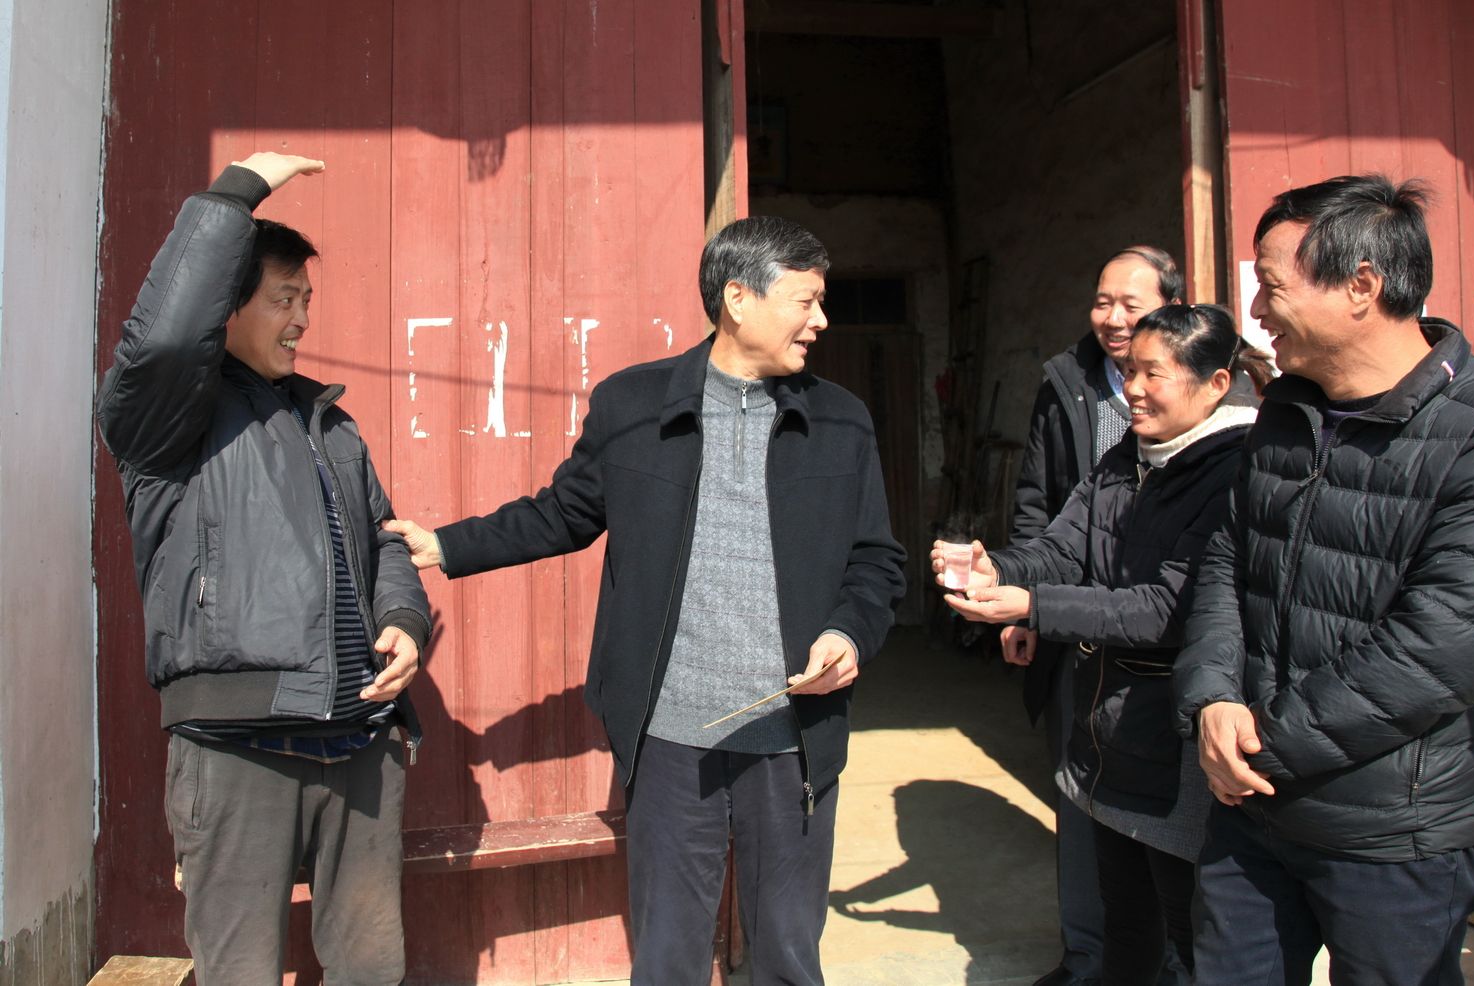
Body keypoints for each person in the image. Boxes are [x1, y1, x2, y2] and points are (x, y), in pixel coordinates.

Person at [385, 216, 906, 985]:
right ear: (738, 299)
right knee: (666, 957)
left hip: (793, 735)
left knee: (789, 957)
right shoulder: (633, 405)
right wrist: (448, 545)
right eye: (806, 301)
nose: (821, 320)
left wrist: (848, 635)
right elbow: (562, 513)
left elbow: (876, 562)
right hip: (670, 737)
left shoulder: (840, 420)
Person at [96, 153, 432, 985]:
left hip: (359, 737)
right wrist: (235, 193)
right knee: (239, 971)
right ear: (229, 305)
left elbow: (386, 539)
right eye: (284, 299)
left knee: (373, 969)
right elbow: (165, 338)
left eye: (307, 301)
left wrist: (404, 620)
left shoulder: (330, 423)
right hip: (237, 744)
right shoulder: (169, 421)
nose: (301, 320)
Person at [1174, 174, 1474, 985]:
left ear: (1361, 285)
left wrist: (1259, 741)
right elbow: (1227, 561)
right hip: (1251, 811)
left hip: (1393, 835)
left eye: (1272, 287)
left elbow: (1442, 646)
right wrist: (1211, 698)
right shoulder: (1287, 410)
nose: (1256, 312)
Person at [936, 304, 1268, 985]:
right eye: (1128, 372)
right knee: (1127, 927)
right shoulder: (1131, 455)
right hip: (1110, 734)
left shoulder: (1237, 469)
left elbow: (1165, 609)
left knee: (1191, 938)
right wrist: (999, 570)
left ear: (1215, 384)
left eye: (1153, 374)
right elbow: (1064, 547)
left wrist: (1033, 606)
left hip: (1179, 746)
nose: (1133, 390)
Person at [1009, 245, 1183, 986]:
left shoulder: (1214, 385)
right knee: (1077, 793)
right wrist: (1022, 607)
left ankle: (1169, 963)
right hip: (1072, 621)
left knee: (1167, 810)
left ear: (1172, 308)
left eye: (1130, 306)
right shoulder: (1067, 383)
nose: (1112, 319)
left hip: (1163, 631)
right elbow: (1036, 502)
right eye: (1102, 302)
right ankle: (1087, 959)